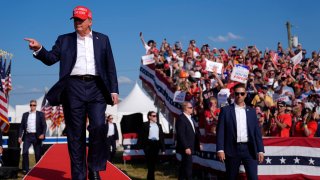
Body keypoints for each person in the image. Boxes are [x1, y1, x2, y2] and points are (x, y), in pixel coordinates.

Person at [24, 5, 119, 180]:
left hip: (97, 86)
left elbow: (110, 66)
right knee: (76, 135)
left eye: (81, 20)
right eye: (75, 20)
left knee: (99, 126)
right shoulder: (64, 40)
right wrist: (38, 49)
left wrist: (114, 89)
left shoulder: (103, 39)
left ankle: (94, 167)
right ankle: (79, 176)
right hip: (73, 88)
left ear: (90, 21)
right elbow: (51, 58)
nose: (77, 23)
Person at [216, 83, 264, 180]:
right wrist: (220, 149)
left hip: (249, 149)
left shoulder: (251, 111)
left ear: (245, 94)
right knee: (231, 177)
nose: (239, 96)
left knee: (253, 177)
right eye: (237, 94)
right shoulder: (225, 110)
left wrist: (260, 150)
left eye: (242, 94)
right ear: (233, 94)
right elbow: (220, 131)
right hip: (232, 149)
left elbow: (257, 132)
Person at [18, 100, 47, 173]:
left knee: (37, 154)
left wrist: (43, 134)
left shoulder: (40, 114)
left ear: (36, 106)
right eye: (31, 105)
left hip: (37, 136)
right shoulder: (25, 114)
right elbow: (21, 126)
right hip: (27, 136)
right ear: (29, 105)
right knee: (24, 152)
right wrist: (20, 136)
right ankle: (26, 169)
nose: (32, 106)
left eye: (34, 105)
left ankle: (38, 169)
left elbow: (44, 125)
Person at [136, 111, 165, 180]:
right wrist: (138, 147)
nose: (155, 117)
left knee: (153, 164)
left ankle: (150, 177)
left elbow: (161, 137)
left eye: (156, 115)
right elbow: (141, 136)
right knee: (150, 163)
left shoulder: (159, 125)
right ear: (149, 117)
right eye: (154, 116)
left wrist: (163, 148)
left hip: (156, 145)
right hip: (148, 145)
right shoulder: (145, 125)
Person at [176, 102, 200, 180]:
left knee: (184, 167)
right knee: (188, 168)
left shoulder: (190, 118)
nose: (192, 109)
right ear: (185, 108)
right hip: (186, 147)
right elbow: (181, 134)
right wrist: (186, 147)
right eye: (190, 107)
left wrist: (198, 143)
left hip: (191, 146)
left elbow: (194, 132)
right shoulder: (181, 119)